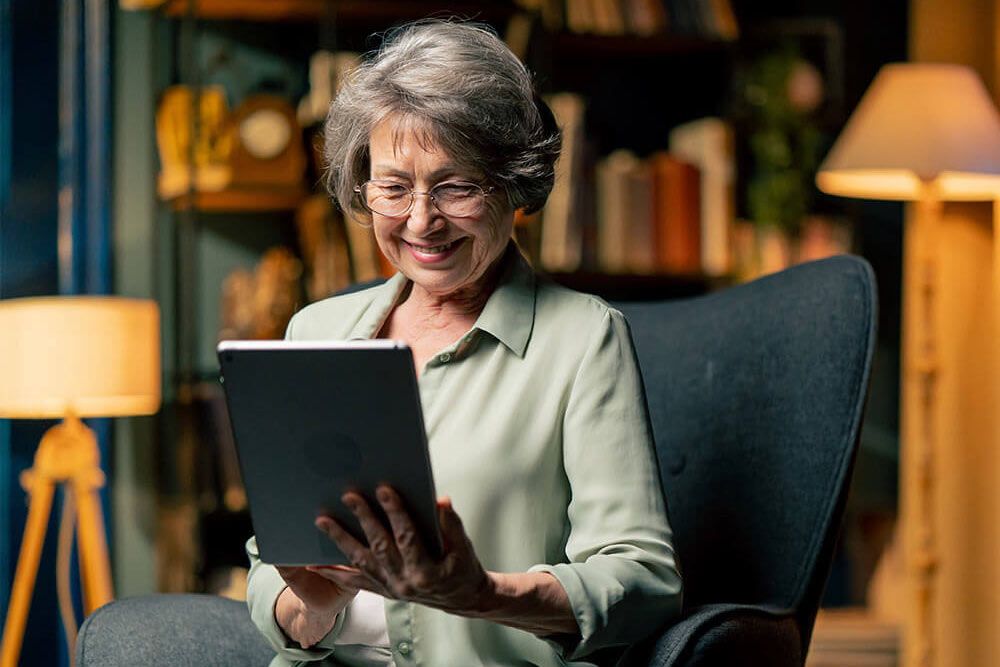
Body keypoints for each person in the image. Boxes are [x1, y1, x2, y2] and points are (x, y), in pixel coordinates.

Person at [246, 19, 682, 667]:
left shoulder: (584, 338)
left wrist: (481, 594)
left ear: (515, 184)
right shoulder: (316, 330)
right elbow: (268, 561)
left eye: (456, 186)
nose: (421, 220)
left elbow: (644, 581)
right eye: (393, 187)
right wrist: (314, 603)